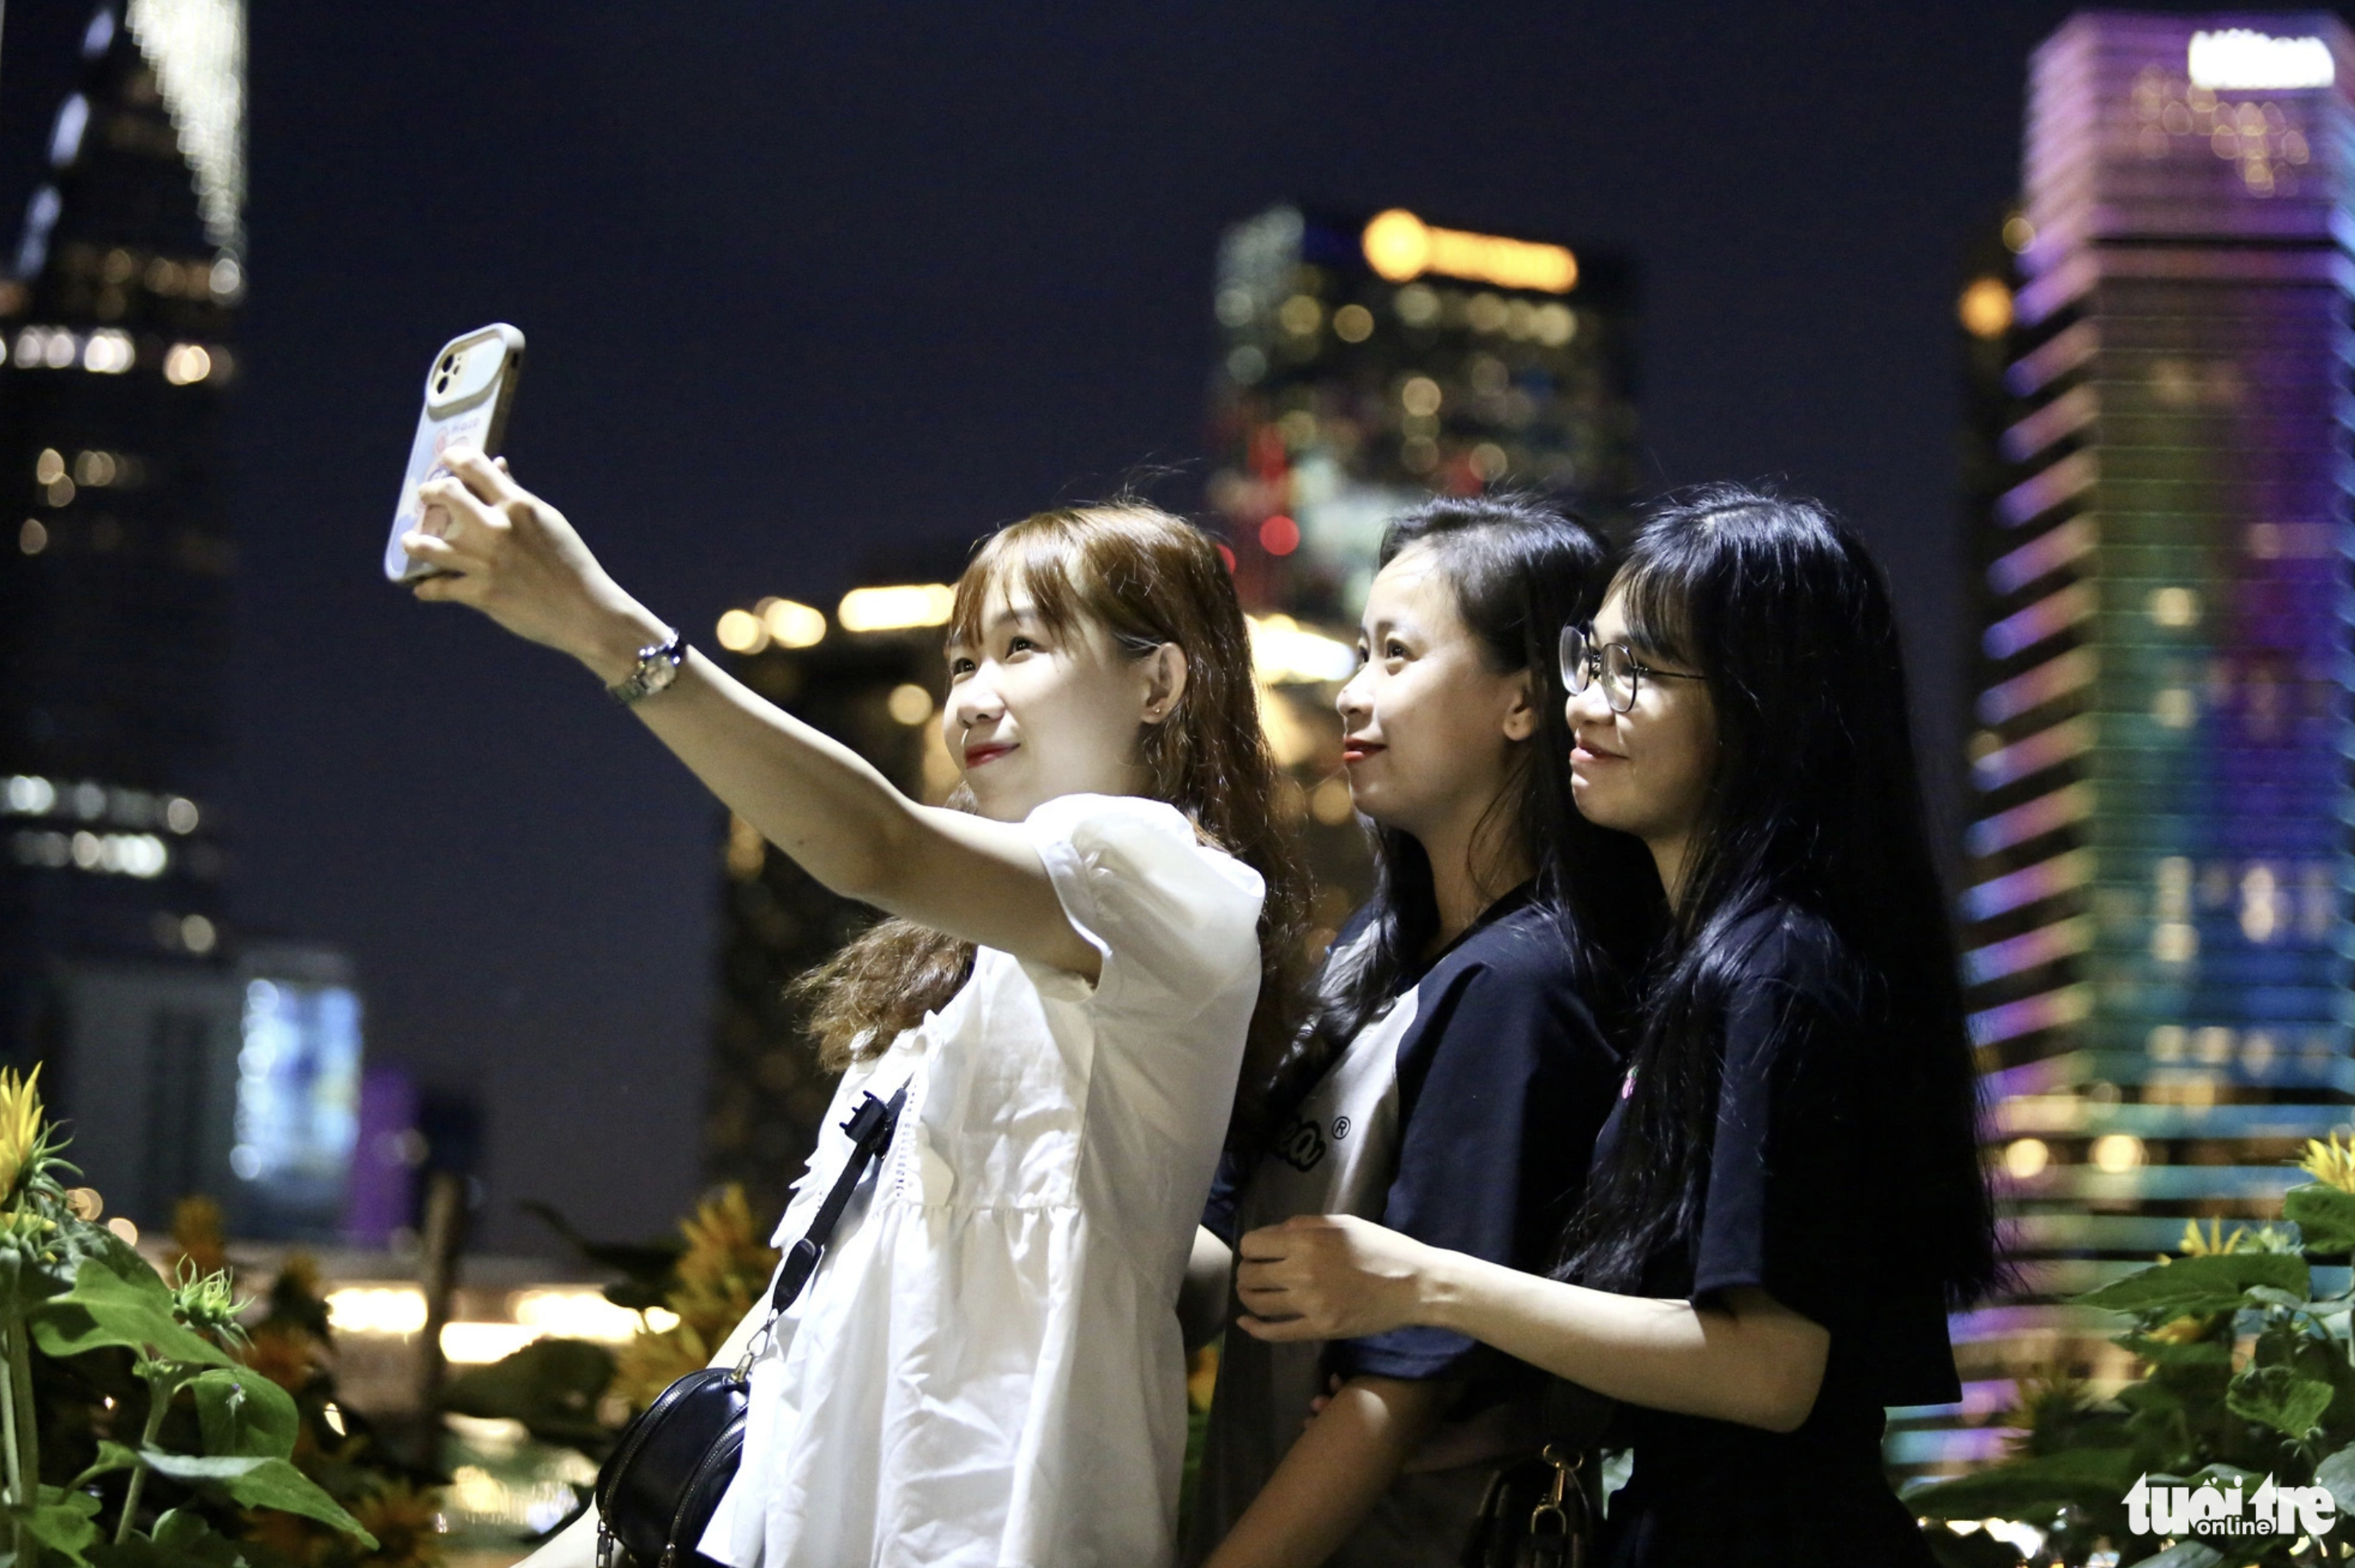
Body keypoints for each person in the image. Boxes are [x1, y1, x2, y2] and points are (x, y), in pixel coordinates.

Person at [399, 453, 1310, 1567]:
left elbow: (871, 843)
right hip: (807, 1504)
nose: (973, 693)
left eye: (1022, 648)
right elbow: (830, 1285)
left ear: (1158, 685)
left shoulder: (1172, 879)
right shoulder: (969, 960)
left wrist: (607, 632)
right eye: (962, 658)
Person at [1228, 485, 2002, 1566]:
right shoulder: (1706, 968)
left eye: (1634, 672)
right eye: (1587, 659)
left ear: (1760, 701)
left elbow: (1768, 1373)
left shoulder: (1774, 972)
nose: (1582, 704)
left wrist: (1421, 1281)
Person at [1188, 497, 1658, 1568]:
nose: (1354, 692)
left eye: (1395, 655)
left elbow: (1397, 1389)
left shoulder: (1518, 985)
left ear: (1525, 702)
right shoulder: (1384, 951)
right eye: (1360, 651)